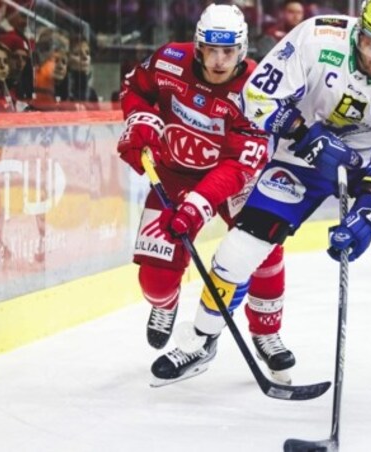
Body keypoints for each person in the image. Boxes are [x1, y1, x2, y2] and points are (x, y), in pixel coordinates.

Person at [152, 0, 371, 406]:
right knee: (239, 249)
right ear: (359, 31)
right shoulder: (318, 36)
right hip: (302, 155)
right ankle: (198, 340)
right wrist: (305, 134)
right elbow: (258, 97)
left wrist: (369, 210)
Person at [117, 4, 295, 385]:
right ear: (198, 47)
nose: (218, 61)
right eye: (211, 50)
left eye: (228, 52)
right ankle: (165, 305)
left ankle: (266, 332)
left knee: (264, 249)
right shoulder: (168, 61)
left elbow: (239, 164)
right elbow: (135, 88)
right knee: (154, 282)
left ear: (242, 49)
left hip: (233, 181)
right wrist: (140, 123)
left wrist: (199, 205)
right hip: (173, 173)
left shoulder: (257, 89)